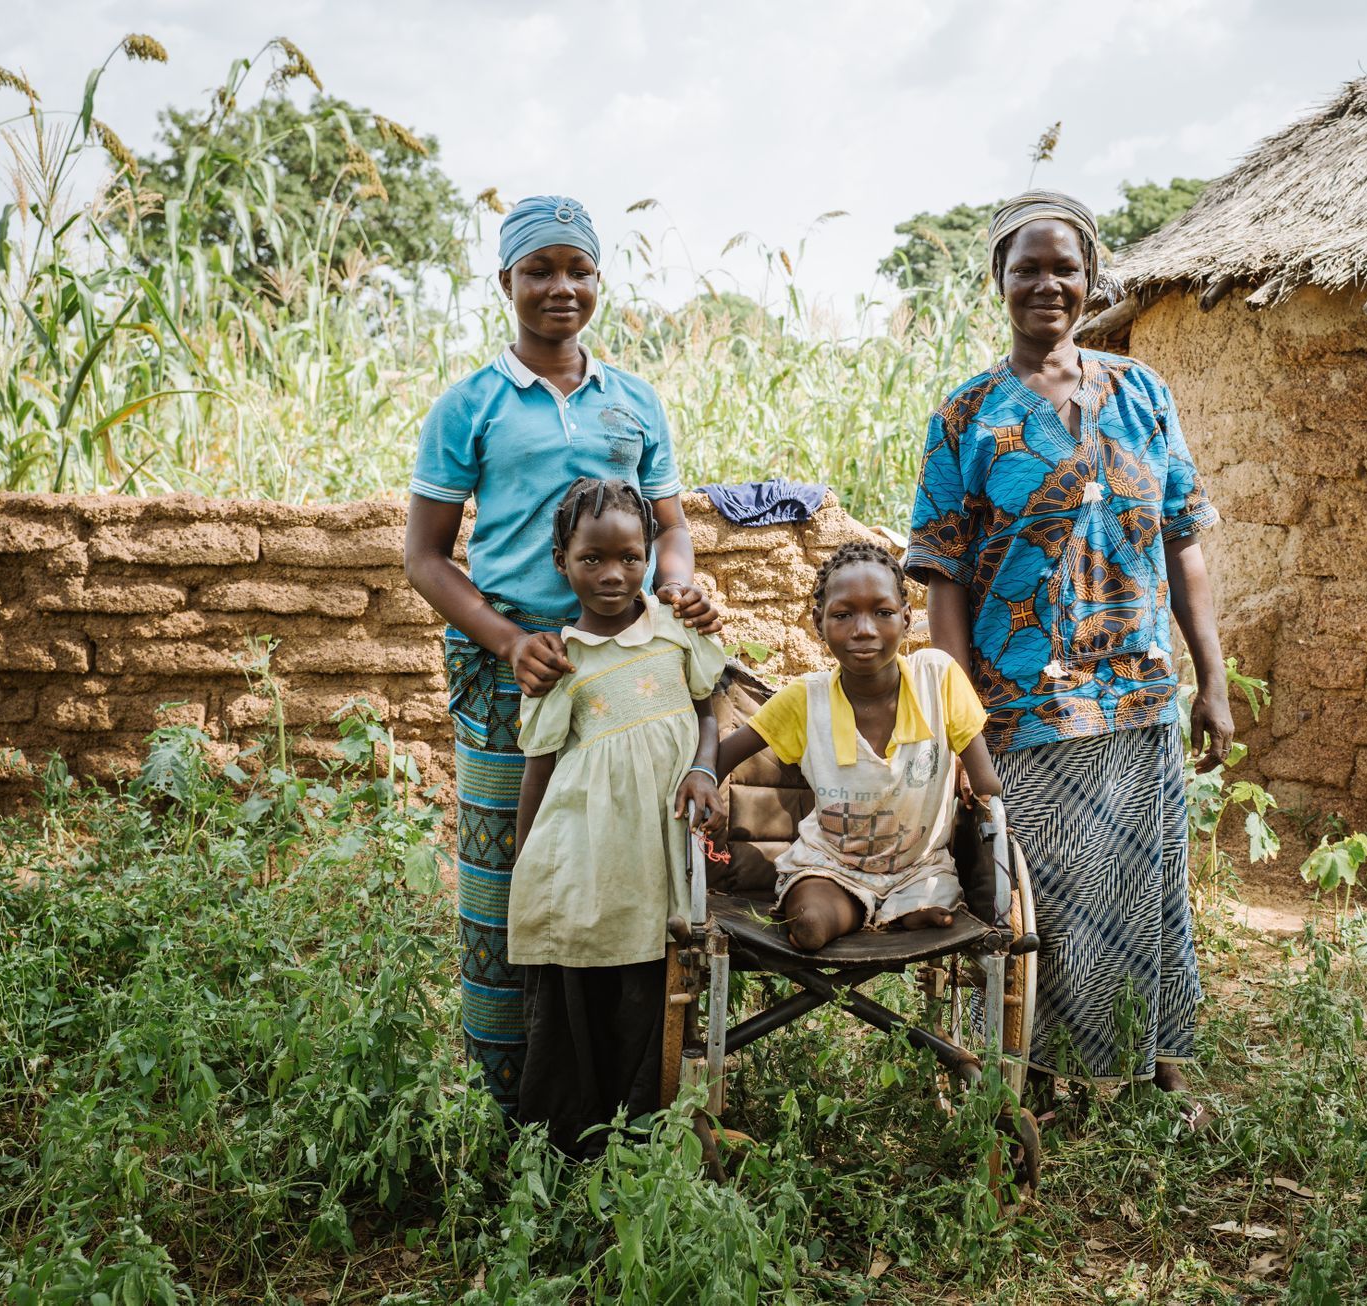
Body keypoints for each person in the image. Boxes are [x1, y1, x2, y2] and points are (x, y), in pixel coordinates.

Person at [904, 191, 1231, 1124]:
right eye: (1028, 269)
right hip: (1019, 707)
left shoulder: (1143, 394)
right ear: (999, 283)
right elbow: (942, 576)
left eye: (1066, 268)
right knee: (1031, 900)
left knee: (1145, 881)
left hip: (1136, 693)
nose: (1048, 284)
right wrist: (960, 712)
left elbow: (1183, 540)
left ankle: (1156, 1068)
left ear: (1091, 282)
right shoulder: (966, 415)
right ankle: (1034, 1077)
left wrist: (1211, 680)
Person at [403, 194, 719, 1118]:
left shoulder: (634, 401)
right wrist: (508, 640)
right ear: (505, 282)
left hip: (633, 672)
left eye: (577, 269)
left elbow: (670, 528)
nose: (560, 288)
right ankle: (514, 1096)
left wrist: (680, 584)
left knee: (633, 872)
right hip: (521, 675)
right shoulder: (471, 405)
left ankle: (632, 1090)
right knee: (519, 870)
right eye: (538, 270)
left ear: (598, 280)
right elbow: (425, 557)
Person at [507, 478, 725, 1155]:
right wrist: (523, 866)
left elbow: (707, 711)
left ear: (652, 556)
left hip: (658, 845)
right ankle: (572, 1146)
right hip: (586, 849)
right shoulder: (558, 659)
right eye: (591, 559)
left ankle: (644, 1136)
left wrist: (703, 767)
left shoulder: (678, 632)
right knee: (584, 974)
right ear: (560, 561)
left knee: (651, 982)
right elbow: (541, 766)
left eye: (630, 558)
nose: (612, 574)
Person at [697, 541, 1002, 953]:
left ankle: (902, 907)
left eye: (883, 613)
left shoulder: (938, 679)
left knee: (938, 908)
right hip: (831, 867)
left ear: (907, 618)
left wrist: (979, 799)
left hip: (919, 870)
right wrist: (702, 779)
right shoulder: (807, 699)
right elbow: (723, 758)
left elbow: (986, 784)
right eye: (843, 615)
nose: (864, 629)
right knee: (809, 926)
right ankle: (869, 910)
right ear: (819, 622)